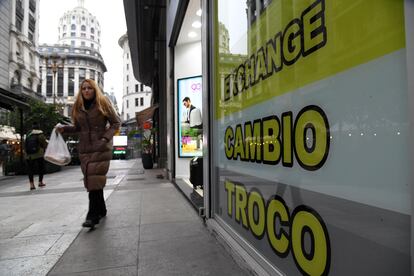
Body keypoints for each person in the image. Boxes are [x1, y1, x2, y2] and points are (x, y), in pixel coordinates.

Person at [56, 79, 120, 228]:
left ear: (95, 89)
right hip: (84, 149)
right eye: (83, 88)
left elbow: (116, 123)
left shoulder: (103, 103)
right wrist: (64, 129)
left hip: (100, 147)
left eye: (89, 88)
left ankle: (92, 215)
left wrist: (104, 138)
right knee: (92, 180)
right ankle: (101, 209)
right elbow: (79, 128)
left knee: (93, 178)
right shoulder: (78, 107)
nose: (86, 91)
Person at [25, 123, 47, 190]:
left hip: (29, 155)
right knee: (41, 168)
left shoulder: (28, 134)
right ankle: (40, 182)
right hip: (39, 154)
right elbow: (44, 143)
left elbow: (25, 143)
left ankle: (31, 185)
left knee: (30, 169)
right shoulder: (40, 134)